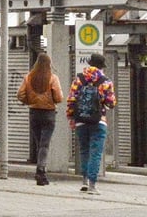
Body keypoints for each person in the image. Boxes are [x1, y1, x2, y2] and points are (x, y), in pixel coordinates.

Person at [67, 53, 117, 196]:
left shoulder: (79, 79)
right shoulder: (105, 81)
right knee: (95, 153)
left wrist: (71, 117)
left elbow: (71, 100)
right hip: (98, 121)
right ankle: (92, 185)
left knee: (84, 151)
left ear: (89, 64)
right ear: (102, 66)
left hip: (80, 121)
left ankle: (84, 181)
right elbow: (111, 103)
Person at [17, 52, 64, 186]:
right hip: (49, 113)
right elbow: (59, 97)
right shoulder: (52, 78)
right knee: (45, 144)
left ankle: (40, 168)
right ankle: (41, 171)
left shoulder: (29, 78)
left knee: (39, 143)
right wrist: (51, 100)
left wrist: (29, 101)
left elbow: (20, 94)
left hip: (34, 113)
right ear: (49, 64)